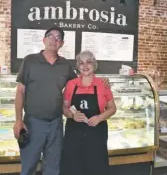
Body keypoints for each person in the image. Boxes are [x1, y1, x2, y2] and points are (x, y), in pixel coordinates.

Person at [13, 27, 110, 175]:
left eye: (58, 37)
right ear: (44, 40)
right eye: (50, 36)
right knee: (28, 166)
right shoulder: (30, 60)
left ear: (62, 43)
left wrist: (103, 80)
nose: (54, 39)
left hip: (56, 123)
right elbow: (20, 91)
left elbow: (82, 79)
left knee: (53, 167)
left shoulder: (65, 65)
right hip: (33, 123)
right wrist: (18, 120)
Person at [60, 51, 117, 175]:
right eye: (81, 63)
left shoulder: (103, 84)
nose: (85, 65)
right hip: (74, 135)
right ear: (77, 66)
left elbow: (112, 108)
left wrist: (100, 117)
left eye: (88, 62)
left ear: (94, 64)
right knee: (73, 168)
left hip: (96, 135)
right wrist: (72, 115)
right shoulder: (71, 85)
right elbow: (64, 108)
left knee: (96, 168)